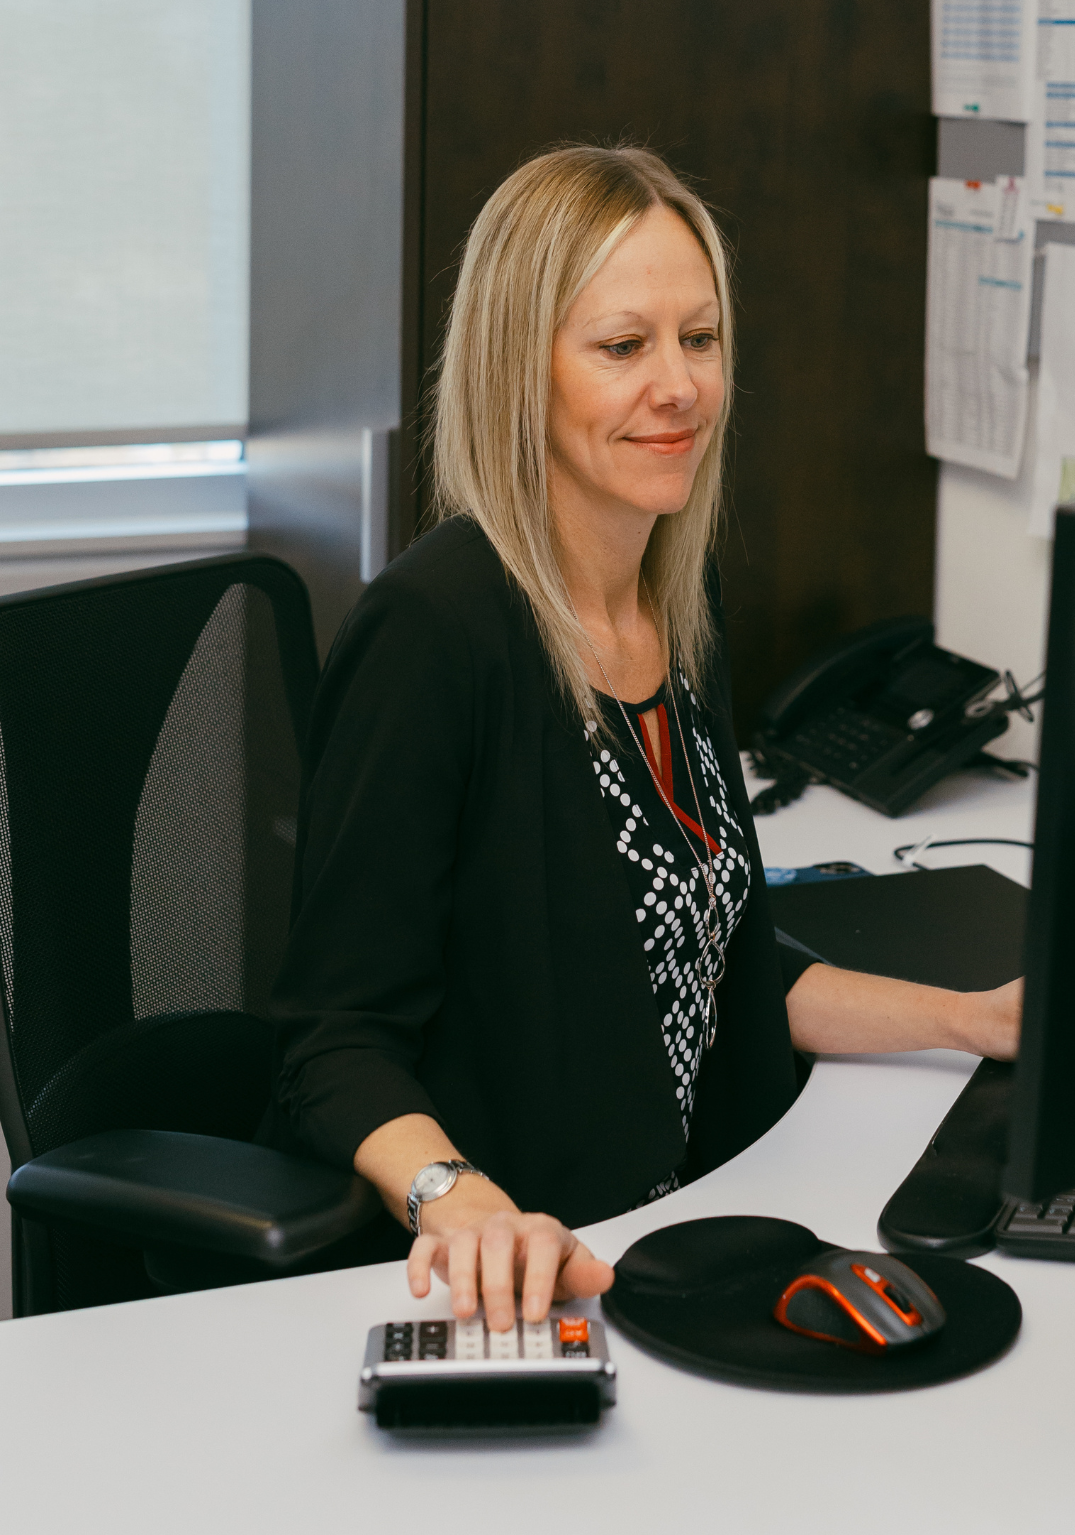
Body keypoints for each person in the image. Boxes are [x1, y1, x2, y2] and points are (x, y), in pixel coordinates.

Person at [265, 144, 1022, 1335]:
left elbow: (709, 960)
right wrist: (456, 1200)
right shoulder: (436, 632)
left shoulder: (674, 602)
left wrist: (966, 1016)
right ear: (523, 370)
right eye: (622, 346)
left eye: (700, 339)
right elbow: (330, 1039)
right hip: (525, 1270)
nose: (677, 386)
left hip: (686, 1228)